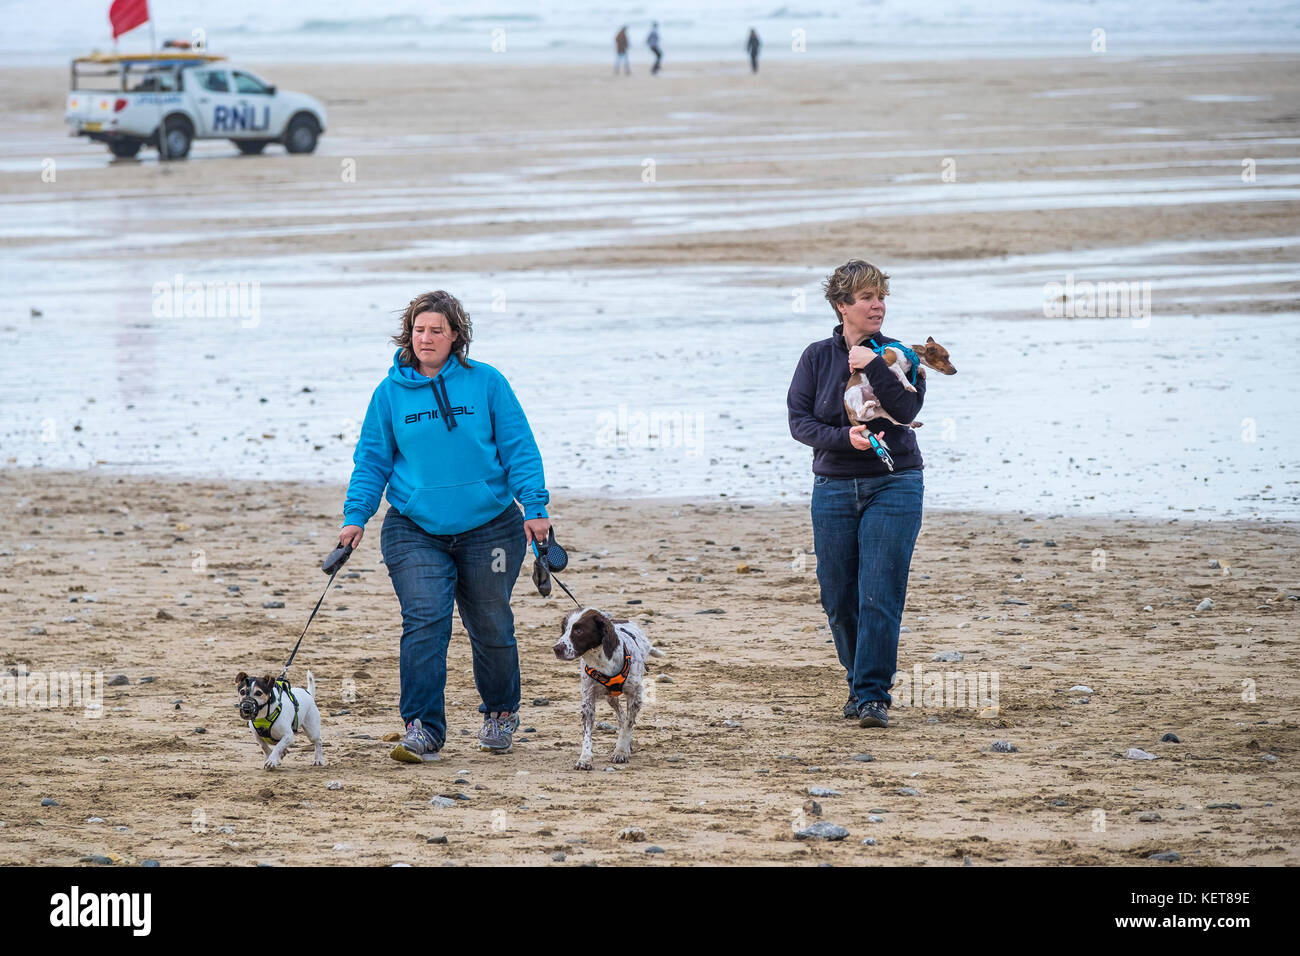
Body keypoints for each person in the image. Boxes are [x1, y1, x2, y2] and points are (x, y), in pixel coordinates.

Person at [339, 290, 552, 762]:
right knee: (424, 620)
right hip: (414, 528)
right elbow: (371, 461)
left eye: (437, 330)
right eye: (419, 329)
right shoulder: (389, 393)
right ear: (408, 334)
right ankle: (422, 728)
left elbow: (519, 447)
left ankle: (500, 714)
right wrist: (356, 517)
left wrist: (535, 508)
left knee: (491, 622)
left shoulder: (487, 383)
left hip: (491, 527)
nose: (426, 338)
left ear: (456, 335)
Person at [786, 260, 926, 729]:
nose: (877, 305)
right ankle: (857, 680)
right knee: (839, 597)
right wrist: (843, 439)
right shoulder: (816, 357)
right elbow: (799, 422)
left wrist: (874, 366)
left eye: (881, 296)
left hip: (895, 483)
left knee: (879, 593)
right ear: (842, 305)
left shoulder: (900, 354)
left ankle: (872, 696)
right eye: (867, 297)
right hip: (833, 487)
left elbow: (907, 407)